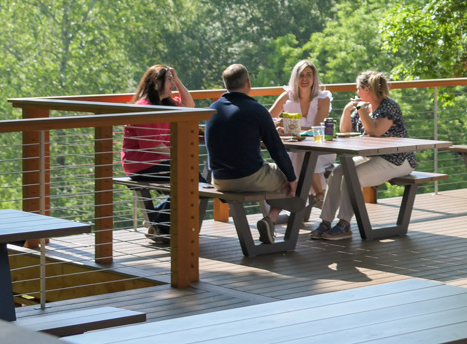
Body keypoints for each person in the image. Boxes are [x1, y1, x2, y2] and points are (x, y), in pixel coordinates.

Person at [310, 71, 416, 241]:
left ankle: (344, 224)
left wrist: (360, 110)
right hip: (373, 157)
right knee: (338, 172)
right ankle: (326, 221)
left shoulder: (388, 106)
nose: (356, 91)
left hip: (397, 160)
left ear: (367, 89)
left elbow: (375, 131)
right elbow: (345, 131)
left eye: (358, 88)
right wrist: (347, 110)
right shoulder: (364, 106)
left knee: (352, 177)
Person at [205, 64, 297, 244]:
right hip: (248, 177)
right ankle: (270, 220)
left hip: (219, 179)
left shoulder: (213, 109)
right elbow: (277, 149)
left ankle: (269, 222)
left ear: (226, 84)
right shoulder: (256, 109)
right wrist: (292, 178)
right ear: (248, 82)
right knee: (286, 179)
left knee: (268, 171)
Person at [121, 65, 196, 243]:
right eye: (169, 79)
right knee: (192, 179)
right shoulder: (144, 107)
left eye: (172, 79)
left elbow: (190, 105)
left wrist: (177, 80)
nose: (172, 83)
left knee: (193, 180)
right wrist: (180, 155)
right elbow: (152, 145)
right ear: (156, 82)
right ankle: (160, 224)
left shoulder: (167, 104)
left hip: (159, 161)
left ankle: (157, 223)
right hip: (140, 165)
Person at [269, 60, 332, 212]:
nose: (304, 79)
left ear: (314, 78)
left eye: (308, 75)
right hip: (294, 148)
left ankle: (297, 205)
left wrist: (291, 127)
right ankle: (319, 197)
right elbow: (267, 118)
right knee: (296, 156)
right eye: (301, 75)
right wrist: (278, 124)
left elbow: (317, 128)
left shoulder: (323, 99)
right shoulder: (287, 96)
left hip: (321, 147)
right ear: (295, 78)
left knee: (301, 156)